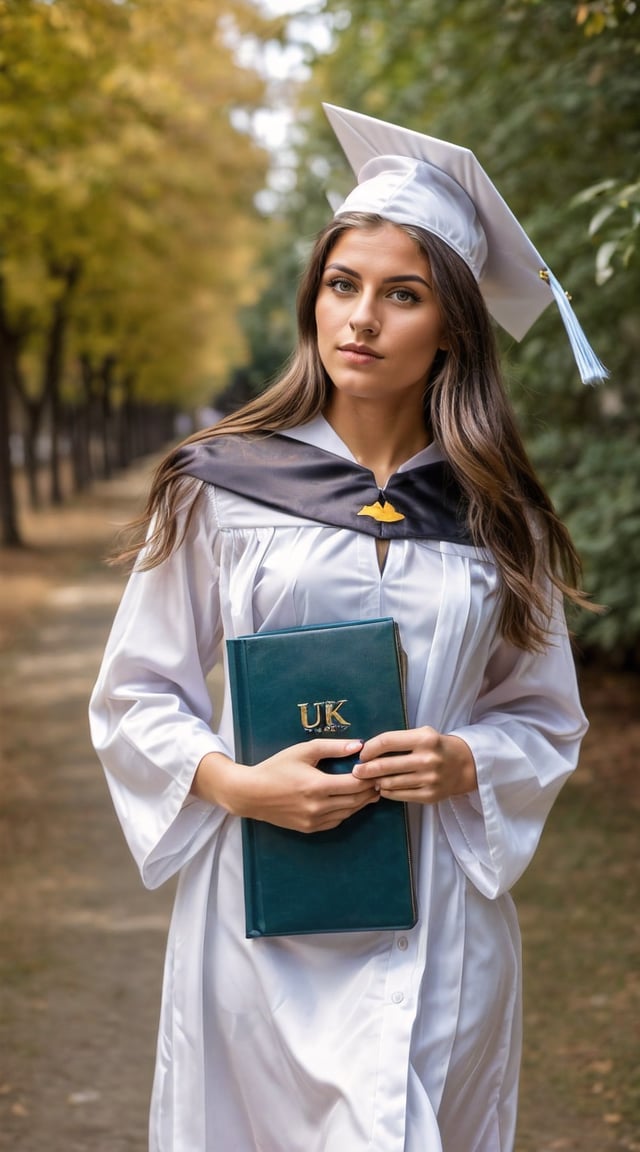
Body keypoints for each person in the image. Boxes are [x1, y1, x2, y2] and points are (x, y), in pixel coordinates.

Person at [89, 104, 604, 1152]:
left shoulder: (495, 513)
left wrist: (465, 759)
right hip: (258, 914)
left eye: (401, 295)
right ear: (313, 299)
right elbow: (136, 691)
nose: (360, 319)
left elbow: (542, 719)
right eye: (341, 284)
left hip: (439, 920)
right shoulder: (220, 488)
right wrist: (234, 781)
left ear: (452, 324)